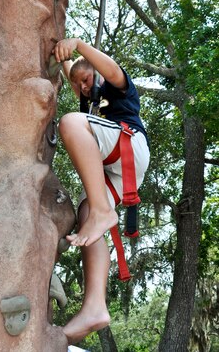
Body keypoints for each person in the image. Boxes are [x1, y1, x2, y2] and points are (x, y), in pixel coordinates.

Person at [52, 38, 150, 344]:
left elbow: (103, 68)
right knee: (86, 219)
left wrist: (78, 45)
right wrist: (61, 54)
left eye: (87, 80)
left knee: (69, 123)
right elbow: (72, 71)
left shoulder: (116, 86)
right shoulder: (89, 102)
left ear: (96, 72)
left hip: (129, 147)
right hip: (116, 172)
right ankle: (95, 306)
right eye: (78, 85)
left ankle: (102, 210)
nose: (83, 87)